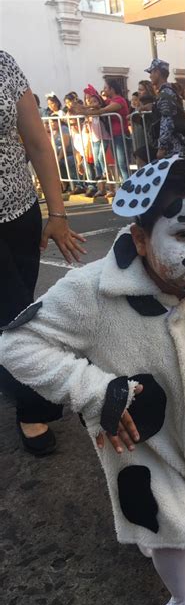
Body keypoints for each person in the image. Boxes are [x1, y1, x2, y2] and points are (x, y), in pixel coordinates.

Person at [0, 156, 185, 605]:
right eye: (183, 234)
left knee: (174, 506)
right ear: (140, 238)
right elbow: (16, 341)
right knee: (168, 513)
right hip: (131, 429)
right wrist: (94, 391)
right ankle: (184, 600)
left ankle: (154, 537)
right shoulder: (95, 290)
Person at [0, 51, 86, 456]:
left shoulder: (4, 64)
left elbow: (36, 140)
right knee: (15, 317)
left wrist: (57, 213)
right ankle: (34, 407)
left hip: (19, 215)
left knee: (16, 311)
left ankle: (18, 380)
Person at [73, 78, 130, 188]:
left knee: (122, 164)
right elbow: (98, 105)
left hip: (120, 134)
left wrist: (84, 111)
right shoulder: (110, 100)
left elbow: (103, 110)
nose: (103, 90)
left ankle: (128, 186)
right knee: (118, 163)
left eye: (105, 88)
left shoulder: (119, 101)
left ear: (112, 89)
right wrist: (84, 107)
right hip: (114, 135)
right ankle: (125, 185)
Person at [145, 58, 185, 161]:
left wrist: (162, 148)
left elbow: (167, 121)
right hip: (175, 145)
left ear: (157, 72)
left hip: (173, 147)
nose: (150, 76)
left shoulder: (165, 94)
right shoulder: (169, 91)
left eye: (151, 72)